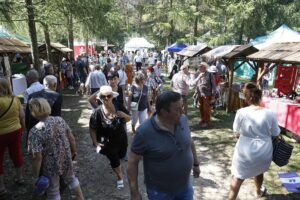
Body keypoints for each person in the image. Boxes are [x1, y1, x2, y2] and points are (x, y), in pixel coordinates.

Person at [127, 91, 200, 200]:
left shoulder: (183, 119)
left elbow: (189, 141)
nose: (182, 111)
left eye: (182, 107)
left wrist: (196, 163)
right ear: (164, 112)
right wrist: (134, 192)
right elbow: (132, 162)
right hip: (159, 193)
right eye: (178, 109)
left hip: (185, 188)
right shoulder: (144, 132)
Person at [228, 82, 281, 200]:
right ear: (260, 97)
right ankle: (258, 191)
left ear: (247, 98)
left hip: (244, 150)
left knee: (237, 177)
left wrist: (242, 135)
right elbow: (276, 133)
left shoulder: (241, 112)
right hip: (264, 151)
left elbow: (236, 130)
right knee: (259, 171)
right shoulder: (270, 113)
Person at [28, 98, 84, 200]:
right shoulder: (59, 120)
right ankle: (81, 198)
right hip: (66, 157)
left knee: (53, 190)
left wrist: (35, 176)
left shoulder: (35, 131)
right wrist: (74, 151)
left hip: (50, 164)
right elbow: (71, 138)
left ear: (34, 112)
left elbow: (38, 157)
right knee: (72, 179)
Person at [89, 86, 130, 189]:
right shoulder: (97, 112)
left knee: (122, 155)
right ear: (100, 98)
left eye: (109, 96)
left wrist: (124, 115)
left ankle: (118, 166)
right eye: (103, 96)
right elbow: (92, 128)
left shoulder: (118, 106)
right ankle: (120, 177)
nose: (106, 98)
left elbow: (129, 119)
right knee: (114, 159)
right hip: (107, 142)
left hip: (121, 138)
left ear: (112, 96)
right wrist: (95, 142)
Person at [0, 78, 25, 195]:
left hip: (1, 133)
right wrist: (23, 129)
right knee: (16, 153)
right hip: (16, 130)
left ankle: (1, 187)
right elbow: (22, 116)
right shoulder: (15, 99)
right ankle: (20, 177)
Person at [26, 75, 62, 141]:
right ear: (55, 84)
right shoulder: (57, 96)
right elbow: (57, 116)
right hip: (48, 129)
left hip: (33, 129)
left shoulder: (32, 95)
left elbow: (27, 116)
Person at [195, 62, 216, 128]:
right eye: (199, 67)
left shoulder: (210, 74)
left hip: (207, 94)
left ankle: (207, 122)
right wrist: (195, 93)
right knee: (201, 108)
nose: (199, 68)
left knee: (206, 109)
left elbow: (214, 86)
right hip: (199, 94)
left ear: (205, 67)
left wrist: (213, 96)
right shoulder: (198, 74)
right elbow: (197, 84)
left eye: (201, 67)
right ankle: (203, 120)